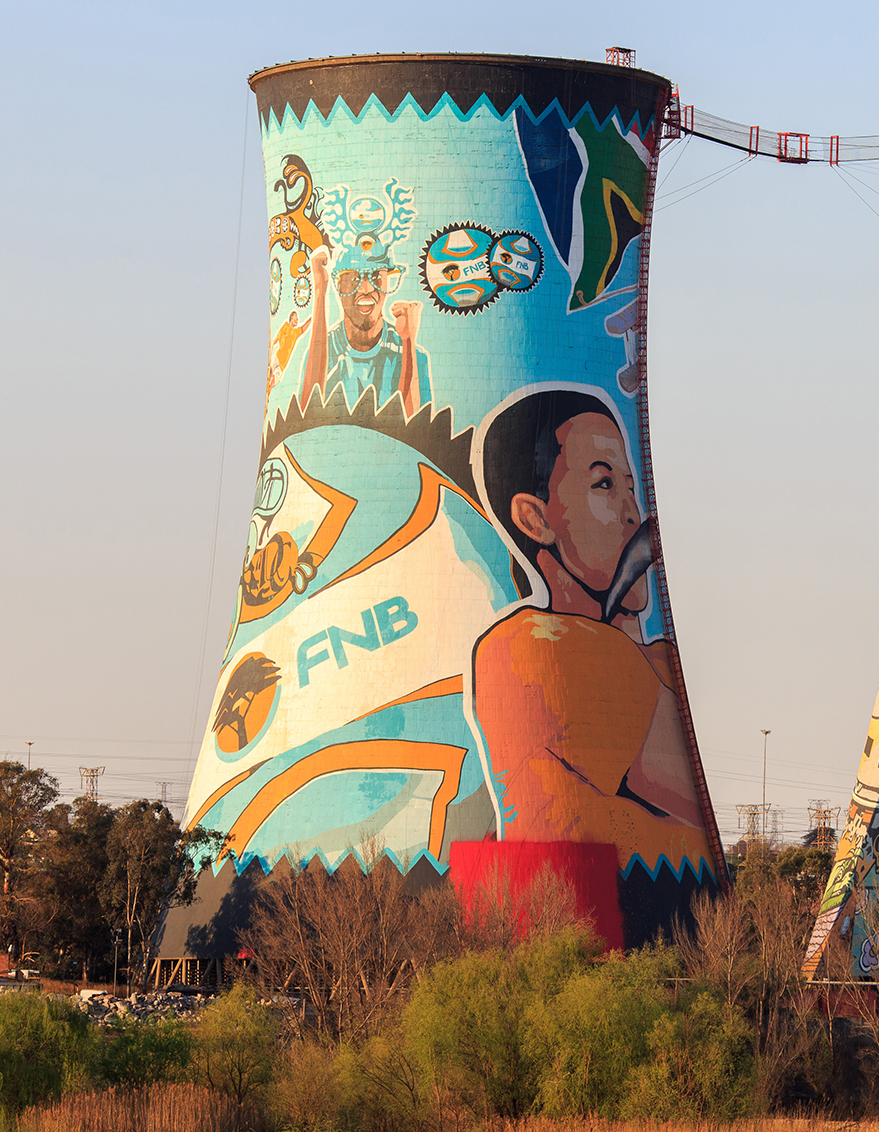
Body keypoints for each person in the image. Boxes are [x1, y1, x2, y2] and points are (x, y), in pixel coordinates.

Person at [471, 387, 712, 863]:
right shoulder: (535, 648)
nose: (632, 512)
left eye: (630, 486)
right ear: (535, 519)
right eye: (604, 485)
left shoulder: (648, 660)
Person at [301, 237, 431, 419]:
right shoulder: (323, 353)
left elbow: (413, 430)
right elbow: (305, 420)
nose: (366, 288)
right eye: (354, 278)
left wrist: (408, 341)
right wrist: (320, 292)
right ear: (338, 287)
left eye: (377, 276)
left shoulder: (412, 355)